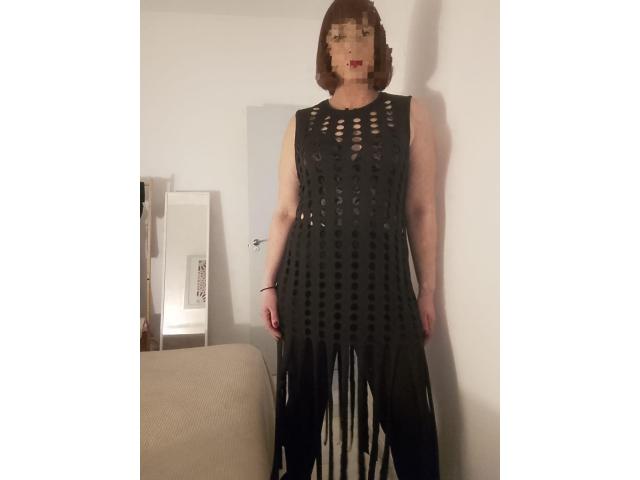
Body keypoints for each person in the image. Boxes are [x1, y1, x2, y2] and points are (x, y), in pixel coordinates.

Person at [261, 1, 440, 478]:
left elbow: (420, 209)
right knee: (302, 411)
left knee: (407, 413)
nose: (353, 46)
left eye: (363, 33)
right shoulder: (302, 122)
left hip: (384, 285)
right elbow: (285, 211)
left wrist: (427, 290)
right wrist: (268, 284)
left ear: (378, 44)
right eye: (339, 36)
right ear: (326, 50)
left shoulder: (410, 113)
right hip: (308, 283)